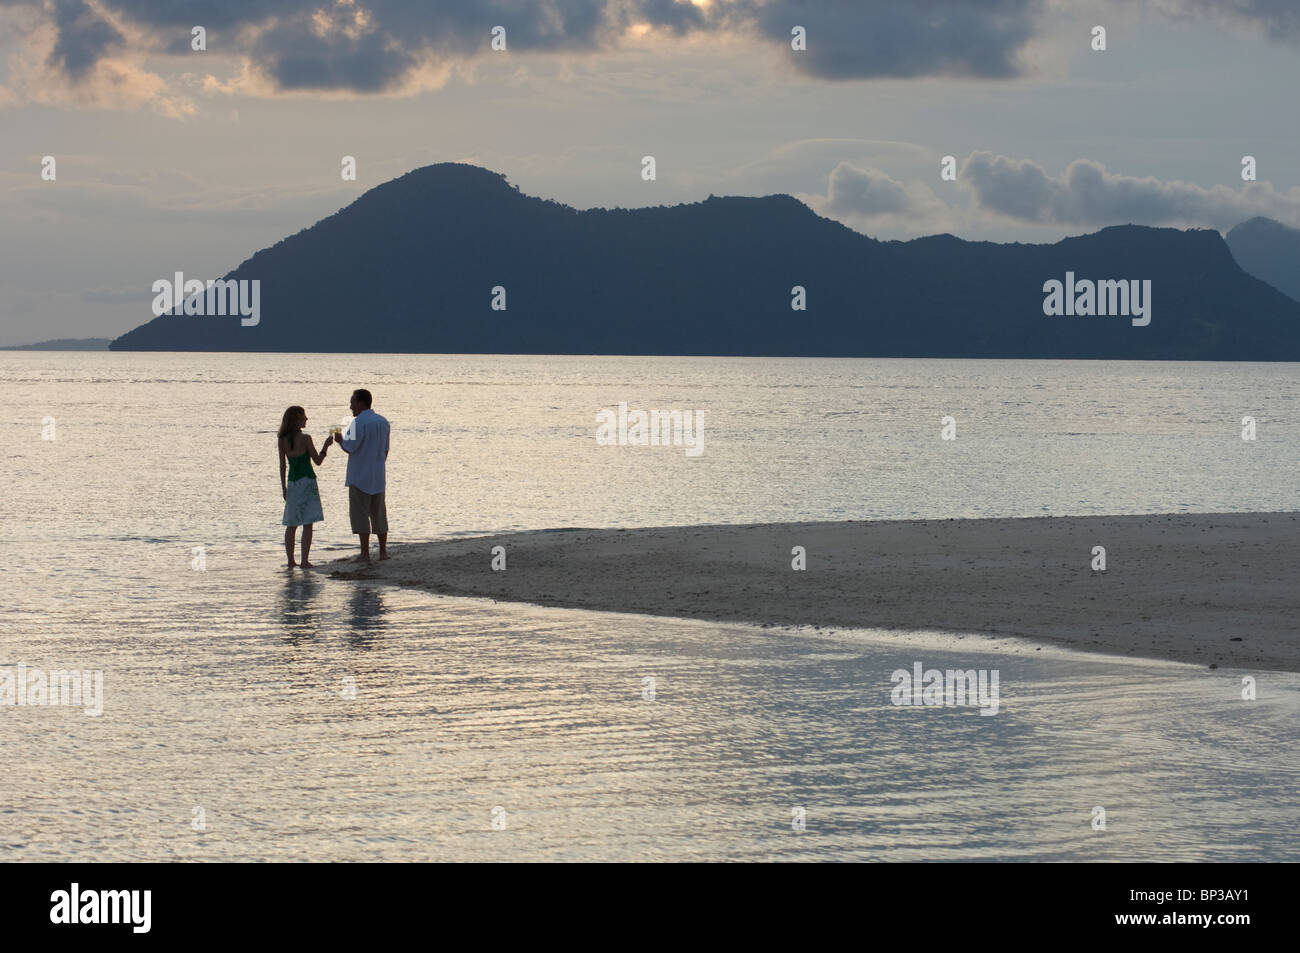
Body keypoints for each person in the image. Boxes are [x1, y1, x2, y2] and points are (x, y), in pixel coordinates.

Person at [335, 388, 390, 563]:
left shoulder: (358, 423)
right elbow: (386, 449)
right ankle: (382, 552)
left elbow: (349, 448)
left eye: (352, 402)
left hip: (360, 476)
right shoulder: (383, 422)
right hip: (378, 474)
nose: (350, 406)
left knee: (361, 515)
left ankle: (365, 553)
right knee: (379, 514)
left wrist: (339, 440)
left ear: (360, 403)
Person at [278, 406, 333, 568]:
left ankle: (290, 561)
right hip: (307, 481)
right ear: (297, 420)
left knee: (291, 524)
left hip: (292, 483)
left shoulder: (282, 440)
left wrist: (283, 488)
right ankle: (304, 561)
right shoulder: (306, 439)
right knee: (308, 522)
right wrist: (326, 446)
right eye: (304, 417)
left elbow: (282, 466)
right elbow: (318, 461)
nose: (306, 419)